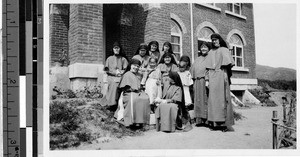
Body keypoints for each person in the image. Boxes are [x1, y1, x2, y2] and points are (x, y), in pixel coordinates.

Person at [205, 33, 235, 132]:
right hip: (212, 77)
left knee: (223, 100)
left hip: (222, 75)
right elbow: (207, 68)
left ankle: (225, 125)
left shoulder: (224, 50)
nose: (214, 41)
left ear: (219, 40)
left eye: (216, 39)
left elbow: (227, 66)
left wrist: (225, 77)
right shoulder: (210, 52)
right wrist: (207, 80)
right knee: (213, 101)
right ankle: (214, 123)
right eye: (213, 40)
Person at [116, 59, 151, 128]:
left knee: (145, 98)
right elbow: (125, 88)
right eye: (134, 65)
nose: (136, 67)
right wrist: (134, 90)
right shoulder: (127, 74)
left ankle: (139, 121)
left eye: (138, 66)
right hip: (128, 93)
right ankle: (130, 121)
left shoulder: (137, 75)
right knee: (134, 100)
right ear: (130, 65)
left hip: (136, 92)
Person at [190, 41, 211, 127]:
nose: (203, 49)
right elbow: (192, 69)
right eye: (202, 47)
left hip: (205, 81)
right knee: (197, 100)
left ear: (208, 49)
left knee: (205, 99)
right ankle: (199, 120)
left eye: (205, 47)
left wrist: (207, 80)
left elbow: (210, 69)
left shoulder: (210, 58)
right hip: (196, 81)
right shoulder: (198, 59)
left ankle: (207, 120)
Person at [104, 41, 128, 111]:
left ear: (120, 49)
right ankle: (112, 104)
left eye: (118, 48)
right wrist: (114, 73)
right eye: (115, 48)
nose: (116, 50)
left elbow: (126, 69)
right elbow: (106, 70)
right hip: (111, 76)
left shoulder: (123, 59)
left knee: (121, 83)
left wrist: (121, 72)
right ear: (113, 49)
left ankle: (120, 103)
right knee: (114, 84)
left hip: (121, 76)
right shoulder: (109, 58)